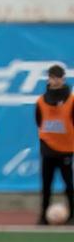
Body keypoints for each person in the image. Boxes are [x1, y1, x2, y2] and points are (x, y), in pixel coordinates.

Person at [36, 64, 74, 224]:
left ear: (63, 79)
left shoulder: (72, 101)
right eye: (52, 77)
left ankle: (72, 214)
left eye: (58, 77)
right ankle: (43, 215)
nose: (55, 81)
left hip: (66, 148)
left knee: (69, 185)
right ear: (48, 79)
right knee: (46, 184)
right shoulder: (41, 101)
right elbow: (39, 121)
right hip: (47, 147)